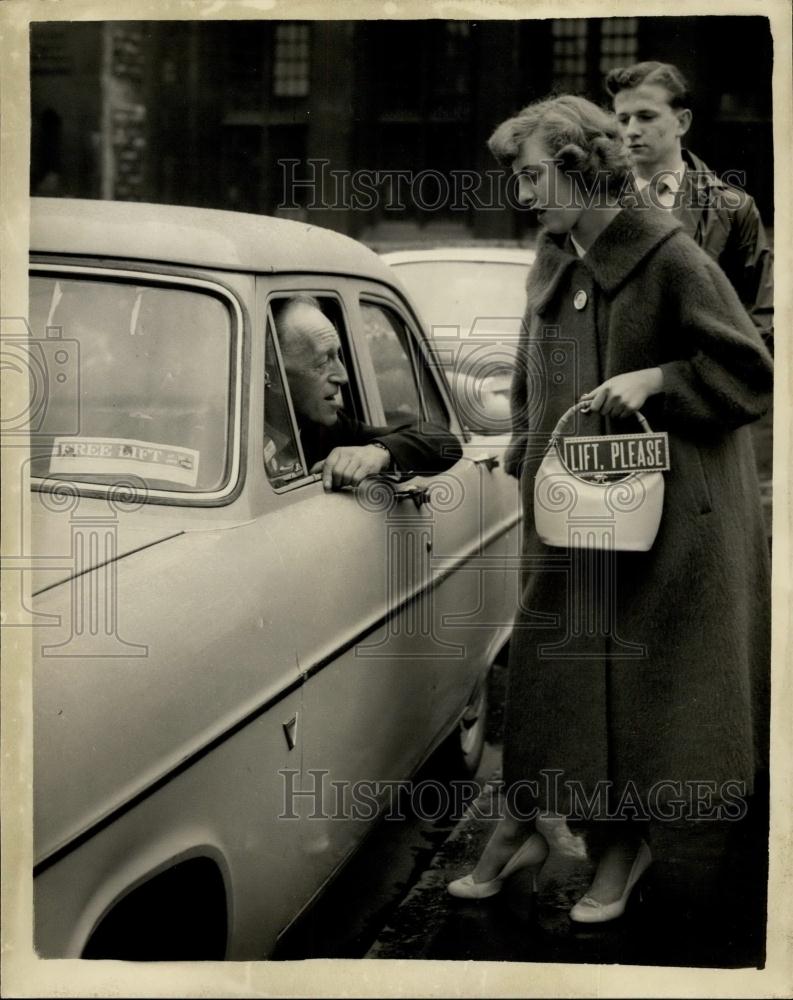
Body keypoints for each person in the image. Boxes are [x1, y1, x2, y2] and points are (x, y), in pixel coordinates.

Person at [447, 94, 772, 935]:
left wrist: (657, 380)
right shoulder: (555, 250)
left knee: (645, 689)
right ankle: (539, 821)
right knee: (559, 667)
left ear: (579, 167)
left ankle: (628, 847)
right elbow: (529, 365)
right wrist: (519, 446)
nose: (521, 196)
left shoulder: (668, 255)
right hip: (574, 506)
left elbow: (749, 372)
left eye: (531, 176)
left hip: (672, 518)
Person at [605, 61, 773, 350]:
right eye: (623, 119)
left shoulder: (733, 209)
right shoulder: (597, 204)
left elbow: (760, 323)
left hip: (700, 386)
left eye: (646, 116)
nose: (631, 130)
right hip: (612, 386)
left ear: (681, 122)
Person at [267, 294, 462, 489]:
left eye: (337, 356)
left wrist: (377, 452)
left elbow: (442, 441)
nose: (343, 376)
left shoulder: (326, 430)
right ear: (272, 375)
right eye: (323, 361)